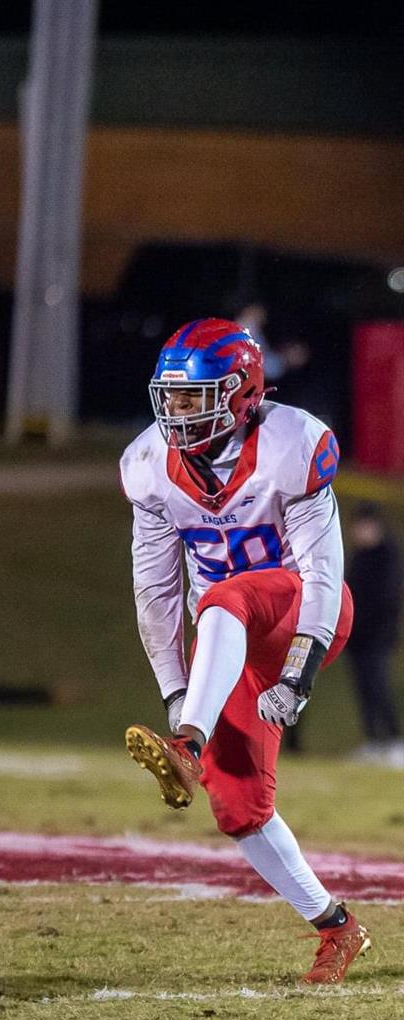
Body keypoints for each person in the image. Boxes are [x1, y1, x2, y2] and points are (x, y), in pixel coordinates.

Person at [119, 317, 370, 986]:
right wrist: (177, 687)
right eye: (170, 397)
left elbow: (323, 572)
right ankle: (337, 926)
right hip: (228, 639)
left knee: (224, 596)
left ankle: (187, 741)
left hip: (304, 614)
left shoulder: (295, 442)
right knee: (237, 806)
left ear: (240, 393)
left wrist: (299, 673)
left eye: (192, 398)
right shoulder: (149, 467)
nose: (175, 413)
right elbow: (156, 592)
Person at [345, 501, 404, 768]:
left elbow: (387, 600)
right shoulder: (360, 556)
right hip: (357, 638)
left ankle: (393, 741)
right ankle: (373, 741)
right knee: (364, 689)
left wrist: (378, 629)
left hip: (378, 637)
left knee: (380, 688)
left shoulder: (388, 555)